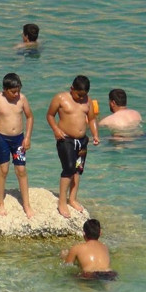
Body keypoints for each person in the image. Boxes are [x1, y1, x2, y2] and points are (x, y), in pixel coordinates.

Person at [46, 75, 100, 218]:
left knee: (78, 169)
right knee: (69, 168)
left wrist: (95, 134)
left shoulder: (87, 100)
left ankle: (73, 199)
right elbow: (50, 115)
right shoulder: (60, 98)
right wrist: (56, 130)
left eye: (84, 95)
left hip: (82, 141)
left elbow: (92, 119)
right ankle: (62, 202)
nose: (81, 97)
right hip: (65, 139)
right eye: (78, 94)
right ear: (72, 89)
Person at [0, 73, 34, 218]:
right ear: (5, 89)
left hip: (19, 139)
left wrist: (28, 137)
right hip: (2, 139)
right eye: (13, 91)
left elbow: (29, 117)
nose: (16, 94)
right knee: (3, 170)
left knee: (21, 170)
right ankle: (0, 202)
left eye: (18, 90)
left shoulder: (22, 99)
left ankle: (26, 204)